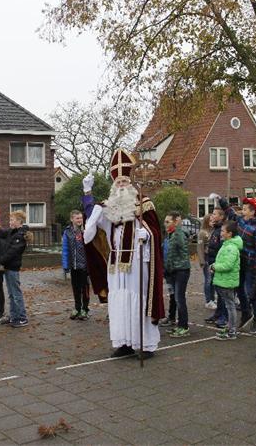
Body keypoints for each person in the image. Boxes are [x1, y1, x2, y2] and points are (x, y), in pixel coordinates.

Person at [82, 148, 165, 359]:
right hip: (115, 264)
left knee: (138, 300)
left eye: (124, 181)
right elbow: (92, 224)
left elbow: (156, 232)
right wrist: (87, 194)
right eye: (117, 182)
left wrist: (147, 234)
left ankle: (145, 344)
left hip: (137, 262)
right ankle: (124, 343)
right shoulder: (108, 207)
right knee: (119, 302)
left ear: (131, 182)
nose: (121, 185)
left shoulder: (143, 204)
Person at [213, 194, 256, 332]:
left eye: (245, 209)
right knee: (239, 289)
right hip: (240, 263)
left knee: (251, 292)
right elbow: (230, 212)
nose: (242, 211)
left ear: (252, 212)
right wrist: (221, 200)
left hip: (251, 266)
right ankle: (246, 313)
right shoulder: (240, 221)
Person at [0, 211, 31, 328]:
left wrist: (0, 262)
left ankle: (22, 318)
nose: (10, 222)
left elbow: (12, 252)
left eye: (12, 220)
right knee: (11, 294)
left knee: (16, 294)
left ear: (19, 221)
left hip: (13, 268)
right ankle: (14, 316)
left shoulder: (20, 235)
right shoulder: (11, 232)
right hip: (8, 267)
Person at [211, 221, 243, 340]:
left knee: (230, 306)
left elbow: (228, 265)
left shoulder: (231, 248)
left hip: (227, 281)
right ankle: (230, 327)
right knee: (229, 305)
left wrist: (215, 267)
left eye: (223, 231)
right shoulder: (226, 245)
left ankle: (232, 330)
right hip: (223, 280)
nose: (221, 233)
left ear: (229, 234)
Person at [164, 211, 191, 338]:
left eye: (168, 221)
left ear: (175, 222)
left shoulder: (179, 234)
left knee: (180, 299)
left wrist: (179, 226)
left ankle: (184, 326)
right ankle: (179, 324)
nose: (165, 224)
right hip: (174, 270)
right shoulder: (171, 234)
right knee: (176, 298)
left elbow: (178, 251)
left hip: (181, 270)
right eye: (165, 221)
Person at [62, 210, 91, 320]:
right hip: (73, 266)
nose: (80, 220)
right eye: (77, 218)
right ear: (72, 219)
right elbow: (65, 249)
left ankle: (85, 309)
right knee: (76, 288)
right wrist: (66, 265)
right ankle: (77, 308)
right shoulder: (67, 232)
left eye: (81, 218)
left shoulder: (87, 230)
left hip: (84, 266)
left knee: (85, 288)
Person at [197, 214, 216, 309]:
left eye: (213, 220)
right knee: (208, 280)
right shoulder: (202, 233)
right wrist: (202, 260)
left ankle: (212, 298)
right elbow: (200, 247)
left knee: (213, 280)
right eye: (211, 220)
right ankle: (208, 300)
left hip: (213, 259)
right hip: (207, 259)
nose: (213, 222)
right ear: (206, 221)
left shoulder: (213, 231)